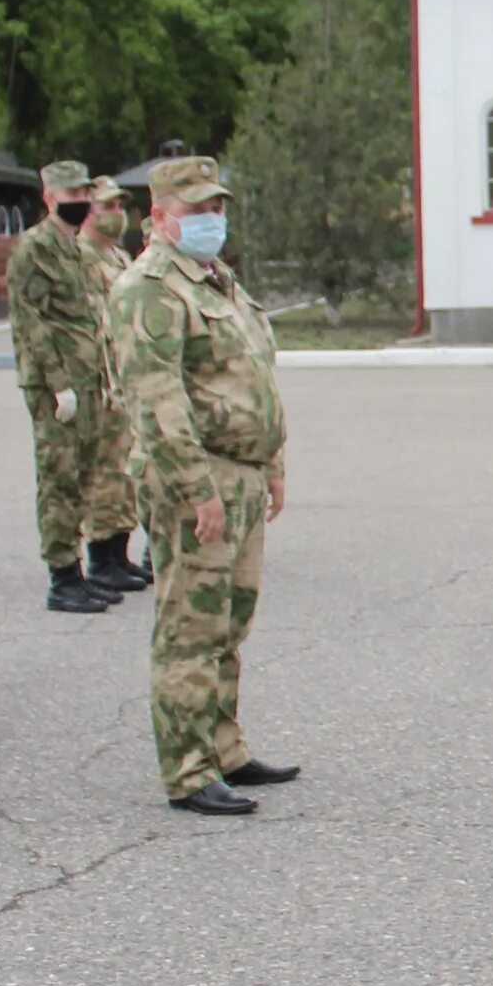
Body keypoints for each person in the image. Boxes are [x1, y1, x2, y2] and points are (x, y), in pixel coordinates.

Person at [110, 156, 296, 815]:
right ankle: (189, 771)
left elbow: (253, 375)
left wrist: (271, 465)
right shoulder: (150, 289)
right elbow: (157, 399)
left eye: (217, 208)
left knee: (229, 623)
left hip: (240, 474)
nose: (210, 220)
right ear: (159, 218)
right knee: (190, 628)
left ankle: (225, 748)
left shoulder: (218, 282)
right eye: (195, 211)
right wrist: (198, 490)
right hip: (199, 476)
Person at [8, 160, 127, 614]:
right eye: (70, 195)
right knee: (59, 479)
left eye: (83, 194)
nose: (78, 202)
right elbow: (30, 320)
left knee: (84, 476)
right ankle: (62, 576)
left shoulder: (73, 247)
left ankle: (79, 570)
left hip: (87, 375)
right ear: (49, 198)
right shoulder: (34, 248)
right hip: (56, 383)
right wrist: (58, 384)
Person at [78, 177, 152, 589]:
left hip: (125, 378)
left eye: (119, 206)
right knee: (105, 471)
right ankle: (101, 556)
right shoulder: (82, 259)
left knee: (124, 471)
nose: (116, 214)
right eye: (106, 207)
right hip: (100, 380)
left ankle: (120, 552)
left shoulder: (119, 259)